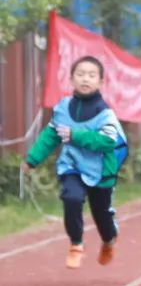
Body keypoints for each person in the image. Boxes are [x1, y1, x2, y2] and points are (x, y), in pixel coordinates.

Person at [22, 56, 128, 269]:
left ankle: (108, 240)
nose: (85, 79)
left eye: (91, 75)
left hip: (101, 172)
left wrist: (75, 135)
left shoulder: (104, 113)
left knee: (102, 216)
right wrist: (32, 160)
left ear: (100, 82)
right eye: (80, 74)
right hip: (72, 166)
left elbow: (107, 141)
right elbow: (50, 135)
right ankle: (76, 244)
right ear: (71, 79)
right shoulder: (63, 108)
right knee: (71, 198)